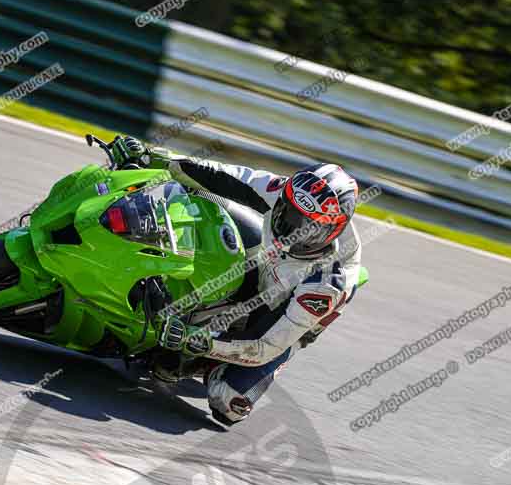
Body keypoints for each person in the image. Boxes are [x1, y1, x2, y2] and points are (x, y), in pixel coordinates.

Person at [111, 136, 363, 425]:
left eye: (308, 228)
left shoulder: (327, 283)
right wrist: (154, 158)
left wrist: (201, 343)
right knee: (202, 197)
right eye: (289, 215)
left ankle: (217, 362)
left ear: (331, 232)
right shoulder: (285, 190)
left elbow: (265, 345)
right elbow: (221, 176)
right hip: (267, 258)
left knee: (228, 401)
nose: (293, 229)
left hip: (286, 307)